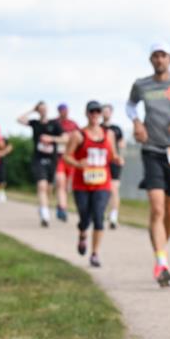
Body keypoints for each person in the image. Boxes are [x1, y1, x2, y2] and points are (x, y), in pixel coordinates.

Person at [127, 42, 170, 286]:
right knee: (157, 208)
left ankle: (162, 250)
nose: (159, 60)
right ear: (151, 60)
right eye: (155, 56)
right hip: (152, 150)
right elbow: (130, 105)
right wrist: (137, 123)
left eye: (163, 56)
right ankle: (161, 261)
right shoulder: (142, 84)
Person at [63, 101, 121, 268]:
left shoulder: (109, 134)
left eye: (98, 112)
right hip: (81, 184)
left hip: (102, 183)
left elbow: (112, 155)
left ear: (101, 114)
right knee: (84, 217)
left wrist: (117, 159)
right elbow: (66, 156)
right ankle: (82, 234)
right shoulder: (78, 135)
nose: (95, 114)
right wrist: (77, 164)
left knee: (98, 217)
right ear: (87, 114)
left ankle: (95, 253)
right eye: (92, 112)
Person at [18, 102, 63, 227]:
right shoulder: (35, 123)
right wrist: (32, 110)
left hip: (52, 160)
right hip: (38, 159)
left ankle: (43, 206)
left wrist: (51, 139)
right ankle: (45, 215)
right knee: (42, 185)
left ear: (47, 109)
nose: (42, 111)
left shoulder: (54, 124)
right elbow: (19, 119)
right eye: (40, 109)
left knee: (48, 189)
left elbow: (65, 138)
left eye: (44, 108)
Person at [54, 103, 80, 222]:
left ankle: (61, 204)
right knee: (60, 182)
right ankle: (62, 208)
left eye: (66, 110)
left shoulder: (73, 124)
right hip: (59, 157)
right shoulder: (54, 123)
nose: (64, 112)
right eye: (62, 110)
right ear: (59, 111)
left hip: (71, 157)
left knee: (68, 186)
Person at [102, 103, 126, 229]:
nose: (106, 113)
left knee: (114, 188)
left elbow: (122, 144)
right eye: (104, 111)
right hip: (101, 162)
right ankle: (100, 212)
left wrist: (121, 156)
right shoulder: (98, 128)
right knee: (102, 189)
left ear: (111, 113)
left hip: (114, 162)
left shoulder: (116, 129)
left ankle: (113, 216)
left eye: (108, 111)